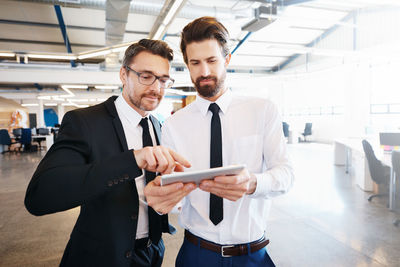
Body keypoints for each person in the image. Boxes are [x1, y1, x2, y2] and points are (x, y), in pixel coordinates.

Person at [24, 39, 195, 267]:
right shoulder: (84, 122)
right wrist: (132, 159)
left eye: (163, 79)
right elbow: (40, 196)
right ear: (123, 75)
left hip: (152, 253)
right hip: (101, 256)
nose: (157, 88)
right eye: (146, 76)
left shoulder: (157, 125)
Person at [146, 17, 294, 267]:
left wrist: (253, 183)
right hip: (196, 253)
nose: (204, 72)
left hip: (252, 255)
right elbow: (178, 198)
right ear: (188, 66)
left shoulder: (263, 110)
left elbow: (286, 175)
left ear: (227, 60)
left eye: (212, 61)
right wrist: (164, 199)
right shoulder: (173, 125)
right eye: (195, 63)